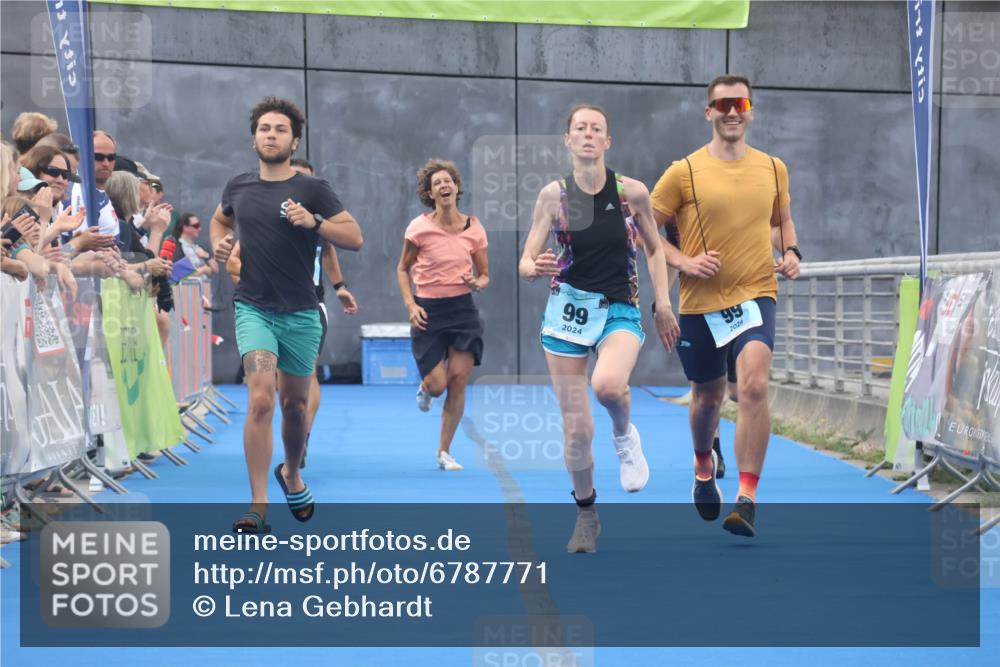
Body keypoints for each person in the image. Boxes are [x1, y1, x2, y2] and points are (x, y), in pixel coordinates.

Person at [519, 105, 679, 553]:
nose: (588, 135)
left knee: (608, 387)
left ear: (608, 142)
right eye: (580, 129)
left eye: (597, 130)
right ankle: (586, 513)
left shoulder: (632, 193)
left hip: (618, 307)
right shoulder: (553, 196)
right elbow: (526, 257)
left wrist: (663, 303)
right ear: (568, 140)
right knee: (576, 432)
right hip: (567, 312)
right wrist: (533, 266)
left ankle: (625, 436)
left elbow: (654, 249)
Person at [651, 74, 802, 537]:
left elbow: (782, 220)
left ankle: (748, 498)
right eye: (723, 105)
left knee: (753, 387)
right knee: (708, 397)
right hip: (701, 303)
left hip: (757, 293)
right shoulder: (685, 171)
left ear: (751, 110)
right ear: (709, 113)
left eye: (740, 103)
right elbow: (646, 230)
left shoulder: (774, 168)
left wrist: (792, 253)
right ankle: (702, 465)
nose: (732, 112)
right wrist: (684, 261)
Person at [211, 96, 362, 534]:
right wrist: (222, 247)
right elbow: (221, 222)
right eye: (264, 128)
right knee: (260, 398)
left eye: (280, 129)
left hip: (301, 314)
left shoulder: (313, 189)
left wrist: (314, 222)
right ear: (254, 137)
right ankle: (258, 503)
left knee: (295, 407)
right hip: (254, 310)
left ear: (294, 141)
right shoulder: (238, 187)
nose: (271, 134)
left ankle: (292, 473)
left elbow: (354, 237)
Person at [224, 157, 359, 466]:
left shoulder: (317, 216)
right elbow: (233, 259)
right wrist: (246, 277)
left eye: (302, 181)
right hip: (260, 307)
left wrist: (339, 287)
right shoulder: (260, 213)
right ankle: (261, 492)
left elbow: (331, 252)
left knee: (305, 380)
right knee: (263, 393)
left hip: (308, 306)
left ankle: (302, 436)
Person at [397, 159, 489, 472]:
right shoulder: (419, 228)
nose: (444, 185)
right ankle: (426, 389)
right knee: (438, 385)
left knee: (460, 380)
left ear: (457, 187)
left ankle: (444, 452)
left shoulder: (474, 228)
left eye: (448, 180)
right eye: (437, 183)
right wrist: (411, 305)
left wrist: (479, 282)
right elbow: (402, 268)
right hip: (429, 312)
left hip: (463, 311)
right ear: (430, 193)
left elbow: (485, 273)